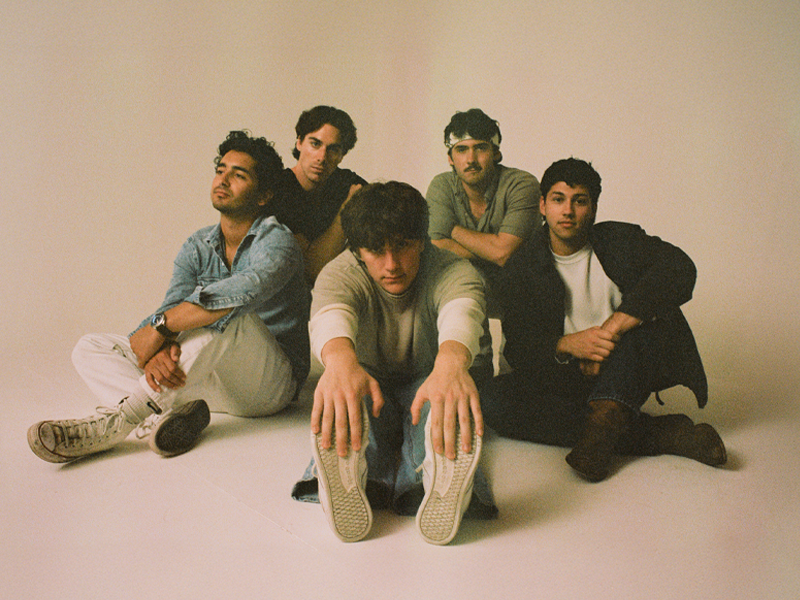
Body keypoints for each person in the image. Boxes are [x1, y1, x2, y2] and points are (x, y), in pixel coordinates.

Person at [28, 131, 310, 464]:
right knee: (90, 346)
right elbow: (171, 306)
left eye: (238, 175)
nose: (223, 180)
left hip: (266, 385)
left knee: (230, 318)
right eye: (220, 170)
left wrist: (163, 329)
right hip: (207, 379)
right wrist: (158, 350)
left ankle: (115, 424)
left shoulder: (278, 241)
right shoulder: (197, 244)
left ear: (263, 195)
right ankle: (163, 420)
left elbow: (239, 293)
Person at [481, 158, 727, 482]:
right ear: (542, 206)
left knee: (651, 320)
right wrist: (568, 345)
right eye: (558, 199)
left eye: (579, 201)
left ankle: (603, 426)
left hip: (626, 367)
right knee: (492, 399)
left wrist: (613, 329)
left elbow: (680, 268)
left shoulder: (618, 240)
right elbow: (519, 348)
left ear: (594, 208)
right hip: (568, 375)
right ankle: (657, 433)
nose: (568, 211)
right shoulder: (523, 266)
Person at [292, 181, 497, 544]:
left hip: (432, 374)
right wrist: (339, 365)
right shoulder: (339, 273)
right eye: (376, 251)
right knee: (351, 397)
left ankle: (433, 475)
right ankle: (358, 473)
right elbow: (331, 320)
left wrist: (452, 364)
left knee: (438, 404)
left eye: (403, 246)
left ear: (422, 241)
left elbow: (462, 313)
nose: (392, 265)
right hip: (371, 377)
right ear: (357, 251)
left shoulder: (455, 270)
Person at [426, 108, 540, 313]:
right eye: (461, 150)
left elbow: (502, 253)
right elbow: (435, 244)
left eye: (480, 148)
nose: (471, 159)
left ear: (496, 153)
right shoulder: (441, 186)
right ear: (450, 158)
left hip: (524, 292)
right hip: (461, 286)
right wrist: (490, 250)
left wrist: (451, 229)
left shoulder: (521, 184)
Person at [270, 105, 367, 283]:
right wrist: (347, 209)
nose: (322, 157)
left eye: (333, 149)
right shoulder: (277, 188)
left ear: (342, 155)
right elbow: (313, 268)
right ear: (299, 143)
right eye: (315, 144)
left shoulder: (347, 182)